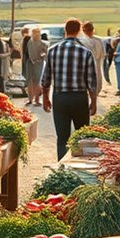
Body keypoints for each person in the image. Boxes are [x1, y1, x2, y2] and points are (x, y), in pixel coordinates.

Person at [41, 18, 97, 160]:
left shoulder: (52, 51)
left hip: (60, 98)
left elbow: (46, 78)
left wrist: (45, 98)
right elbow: (91, 81)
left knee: (62, 138)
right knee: (82, 137)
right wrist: (94, 101)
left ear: (65, 30)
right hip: (79, 98)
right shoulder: (86, 52)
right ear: (79, 31)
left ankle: (62, 166)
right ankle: (80, 167)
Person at [78, 21, 106, 95]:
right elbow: (102, 55)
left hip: (92, 66)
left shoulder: (97, 40)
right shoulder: (82, 41)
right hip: (91, 66)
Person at [27, 28, 49, 106]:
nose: (36, 35)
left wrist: (42, 54)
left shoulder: (43, 43)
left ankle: (37, 100)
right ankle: (30, 99)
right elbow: (29, 53)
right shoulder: (30, 42)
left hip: (39, 63)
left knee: (37, 81)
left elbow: (45, 54)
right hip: (30, 63)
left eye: (37, 33)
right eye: (34, 33)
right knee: (30, 81)